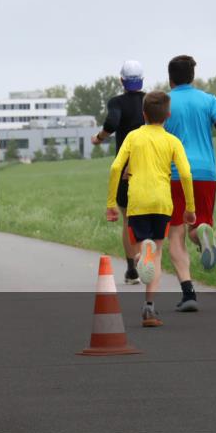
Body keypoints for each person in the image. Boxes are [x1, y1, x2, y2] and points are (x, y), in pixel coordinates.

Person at [106, 91, 195, 327]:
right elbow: (185, 173)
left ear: (143, 114)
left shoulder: (133, 137)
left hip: (137, 202)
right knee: (157, 254)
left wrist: (110, 203)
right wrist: (190, 208)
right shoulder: (172, 141)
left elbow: (116, 168)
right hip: (162, 203)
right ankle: (149, 308)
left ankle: (138, 255)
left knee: (142, 250)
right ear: (168, 114)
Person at [164, 55, 216, 312]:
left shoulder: (163, 103)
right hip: (205, 173)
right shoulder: (209, 100)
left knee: (176, 233)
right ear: (193, 76)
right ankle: (203, 234)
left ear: (170, 78)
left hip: (175, 174)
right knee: (197, 224)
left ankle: (188, 293)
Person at [92, 60, 147, 285]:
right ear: (142, 80)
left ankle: (132, 270)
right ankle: (148, 256)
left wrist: (99, 138)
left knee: (127, 218)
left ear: (121, 80)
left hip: (125, 167)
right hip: (151, 165)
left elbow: (112, 121)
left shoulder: (117, 102)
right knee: (149, 215)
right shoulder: (151, 101)